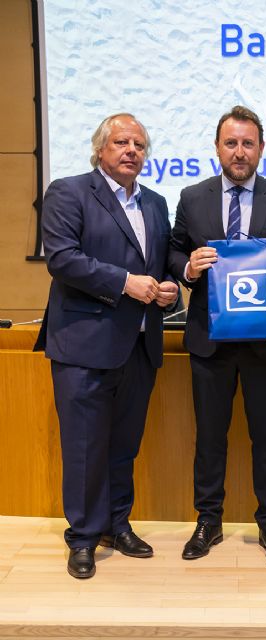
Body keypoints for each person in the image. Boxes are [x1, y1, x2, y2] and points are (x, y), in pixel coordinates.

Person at [168, 105, 266, 565]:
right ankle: (207, 521)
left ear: (261, 149)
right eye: (231, 143)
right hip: (209, 342)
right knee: (209, 437)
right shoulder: (192, 198)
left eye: (247, 143)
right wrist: (187, 268)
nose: (239, 151)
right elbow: (173, 252)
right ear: (217, 148)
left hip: (265, 344)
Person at [34, 113, 178, 579]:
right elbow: (62, 258)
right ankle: (82, 537)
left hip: (139, 345)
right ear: (101, 149)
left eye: (139, 143)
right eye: (121, 141)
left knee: (123, 446)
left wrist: (171, 285)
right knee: (84, 448)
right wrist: (125, 284)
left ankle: (117, 524)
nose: (131, 150)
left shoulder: (155, 203)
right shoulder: (69, 191)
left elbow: (160, 264)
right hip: (84, 344)